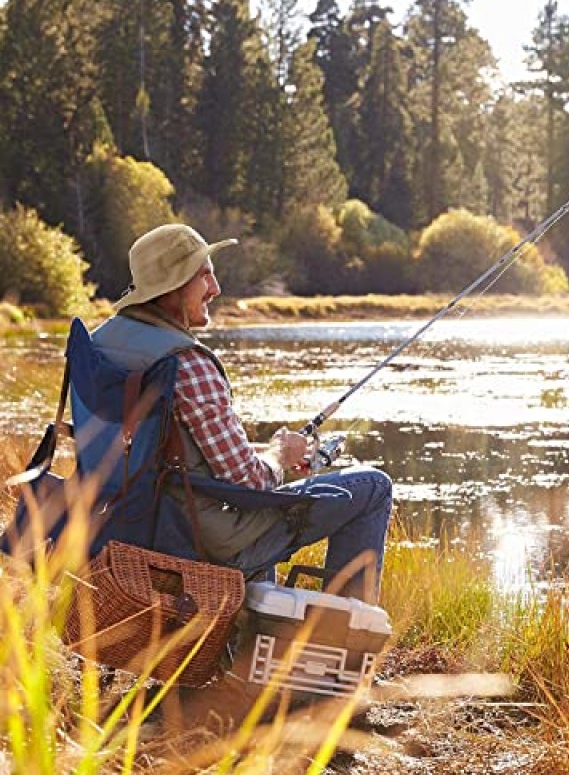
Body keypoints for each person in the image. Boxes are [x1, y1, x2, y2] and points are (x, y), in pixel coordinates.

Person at [90, 223, 392, 602]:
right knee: (373, 487)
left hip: (124, 525)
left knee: (263, 506)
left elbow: (163, 448)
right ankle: (345, 637)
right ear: (173, 286)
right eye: (204, 275)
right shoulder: (186, 363)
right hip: (200, 541)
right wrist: (280, 454)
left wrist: (265, 452)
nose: (215, 288)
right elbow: (249, 483)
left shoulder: (101, 345)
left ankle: (245, 644)